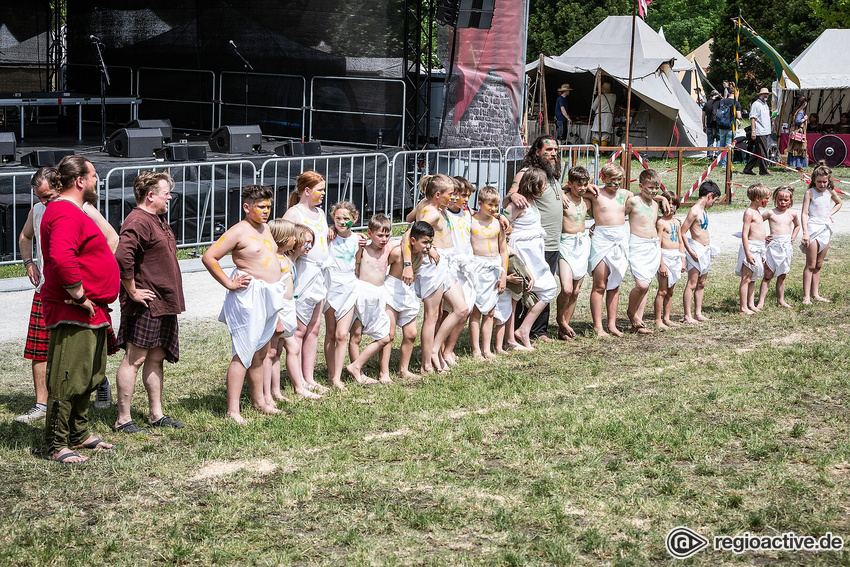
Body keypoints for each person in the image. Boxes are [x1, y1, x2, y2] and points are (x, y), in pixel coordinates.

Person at [15, 167, 120, 424]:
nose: (43, 201)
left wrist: (87, 276)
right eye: (39, 197)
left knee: (87, 351)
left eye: (47, 195)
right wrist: (29, 262)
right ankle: (41, 404)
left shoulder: (81, 208)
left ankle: (99, 384)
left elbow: (111, 238)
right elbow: (25, 236)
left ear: (59, 186)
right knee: (40, 350)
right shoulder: (40, 210)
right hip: (48, 290)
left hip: (77, 291)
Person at [40, 155, 120, 464]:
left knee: (89, 376)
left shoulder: (72, 211)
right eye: (94, 175)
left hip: (91, 310)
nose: (98, 180)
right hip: (75, 310)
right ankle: (56, 444)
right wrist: (80, 295)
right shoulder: (64, 211)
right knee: (68, 378)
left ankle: (79, 434)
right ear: (80, 181)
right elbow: (61, 257)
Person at [202, 185, 286, 423]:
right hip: (249, 297)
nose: (266, 211)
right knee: (243, 352)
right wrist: (229, 282)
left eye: (268, 206)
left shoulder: (267, 228)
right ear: (247, 207)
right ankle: (233, 410)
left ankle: (259, 401)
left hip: (269, 295)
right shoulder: (238, 231)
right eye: (261, 207)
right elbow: (209, 257)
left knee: (261, 350)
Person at [113, 171, 186, 434]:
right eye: (166, 191)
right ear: (150, 195)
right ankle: (123, 418)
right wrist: (132, 290)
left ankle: (156, 414)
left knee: (156, 357)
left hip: (162, 302)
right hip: (146, 303)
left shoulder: (157, 219)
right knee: (135, 359)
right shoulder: (138, 220)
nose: (169, 196)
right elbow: (123, 256)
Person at [401, 174, 469, 373]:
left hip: (445, 262)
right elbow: (409, 233)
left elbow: (409, 217)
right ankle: (427, 360)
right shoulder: (433, 213)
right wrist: (422, 253)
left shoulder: (427, 204)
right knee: (433, 315)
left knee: (460, 309)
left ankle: (435, 350)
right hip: (433, 265)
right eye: (450, 195)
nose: (454, 199)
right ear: (438, 195)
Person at [505, 136, 564, 342]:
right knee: (530, 286)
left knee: (544, 284)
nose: (553, 153)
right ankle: (520, 330)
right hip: (530, 243)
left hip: (551, 239)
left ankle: (539, 331)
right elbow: (512, 195)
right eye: (548, 149)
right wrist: (512, 196)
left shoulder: (553, 174)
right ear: (537, 151)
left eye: (555, 149)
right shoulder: (526, 173)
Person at [283, 171, 331, 393]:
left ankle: (309, 377)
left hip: (320, 274)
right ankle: (298, 380)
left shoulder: (319, 212)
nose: (323, 194)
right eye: (320, 190)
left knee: (315, 327)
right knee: (300, 328)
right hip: (303, 274)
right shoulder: (294, 213)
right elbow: (281, 241)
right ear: (307, 191)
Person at [380, 222, 431, 382]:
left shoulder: (422, 255)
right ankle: (384, 372)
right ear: (413, 240)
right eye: (424, 242)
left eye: (430, 242)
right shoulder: (397, 253)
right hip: (392, 290)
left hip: (408, 292)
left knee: (411, 334)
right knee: (389, 334)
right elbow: (381, 266)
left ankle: (404, 369)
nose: (428, 246)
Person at [323, 201, 366, 389]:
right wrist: (330, 228)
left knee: (342, 335)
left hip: (349, 287)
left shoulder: (358, 240)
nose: (341, 222)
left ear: (354, 219)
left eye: (346, 218)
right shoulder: (329, 236)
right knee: (331, 334)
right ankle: (332, 375)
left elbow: (358, 262)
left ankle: (338, 377)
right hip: (331, 286)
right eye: (337, 218)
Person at [585, 163, 631, 337]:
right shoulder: (595, 193)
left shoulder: (625, 194)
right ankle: (598, 326)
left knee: (615, 284)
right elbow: (570, 188)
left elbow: (642, 198)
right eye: (613, 180)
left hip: (619, 238)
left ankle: (612, 324)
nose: (617, 184)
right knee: (600, 284)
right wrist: (588, 185)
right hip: (602, 239)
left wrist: (662, 199)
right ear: (603, 178)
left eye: (620, 180)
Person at [348, 214, 393, 383]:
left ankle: (360, 366)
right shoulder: (363, 249)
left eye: (387, 235)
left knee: (385, 336)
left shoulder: (388, 249)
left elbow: (407, 238)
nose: (384, 239)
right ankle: (357, 372)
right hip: (362, 294)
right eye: (380, 235)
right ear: (370, 233)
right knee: (356, 335)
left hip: (379, 295)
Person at [468, 186, 507, 359]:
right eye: (489, 205)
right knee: (476, 310)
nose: (493, 209)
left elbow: (504, 250)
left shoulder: (498, 223)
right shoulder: (471, 221)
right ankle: (476, 349)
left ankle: (487, 348)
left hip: (494, 265)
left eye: (496, 206)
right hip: (478, 265)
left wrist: (503, 274)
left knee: (490, 311)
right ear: (480, 203)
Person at [262, 218, 298, 406]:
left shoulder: (285, 257)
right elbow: (274, 290)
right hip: (279, 309)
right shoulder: (275, 260)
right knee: (270, 352)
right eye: (291, 236)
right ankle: (266, 394)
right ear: (281, 238)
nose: (295, 239)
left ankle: (276, 390)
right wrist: (276, 318)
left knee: (278, 351)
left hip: (288, 307)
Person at [625, 169, 664, 334]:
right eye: (650, 187)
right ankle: (631, 312)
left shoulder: (655, 204)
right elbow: (618, 214)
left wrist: (661, 198)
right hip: (638, 245)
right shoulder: (633, 201)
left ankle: (638, 322)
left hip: (652, 245)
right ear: (641, 186)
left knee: (646, 284)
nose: (654, 191)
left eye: (657, 188)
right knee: (641, 284)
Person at [556, 166, 593, 340]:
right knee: (567, 288)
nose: (583, 188)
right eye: (579, 184)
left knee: (576, 292)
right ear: (570, 184)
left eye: (585, 184)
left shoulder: (587, 201)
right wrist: (563, 190)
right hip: (566, 244)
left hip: (582, 244)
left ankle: (564, 329)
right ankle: (560, 320)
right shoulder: (563, 199)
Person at [800, 163, 843, 305]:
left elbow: (838, 203)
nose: (822, 184)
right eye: (819, 181)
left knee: (819, 264)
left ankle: (815, 293)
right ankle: (806, 296)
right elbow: (804, 213)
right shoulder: (810, 193)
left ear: (829, 180)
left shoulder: (830, 192)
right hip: (813, 229)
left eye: (825, 181)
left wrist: (830, 214)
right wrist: (805, 232)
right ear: (813, 180)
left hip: (826, 228)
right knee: (810, 264)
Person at [681, 181, 721, 323]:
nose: (713, 204)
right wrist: (690, 251)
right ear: (710, 195)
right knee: (692, 283)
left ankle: (698, 312)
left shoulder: (704, 211)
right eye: (714, 201)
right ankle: (687, 315)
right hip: (695, 249)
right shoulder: (694, 211)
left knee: (701, 283)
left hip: (705, 250)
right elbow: (683, 232)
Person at [757, 186, 800, 309]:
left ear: (790, 201)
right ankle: (761, 302)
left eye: (786, 200)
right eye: (780, 199)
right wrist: (763, 236)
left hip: (786, 246)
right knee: (767, 275)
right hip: (773, 246)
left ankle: (781, 300)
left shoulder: (792, 213)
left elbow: (797, 226)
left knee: (782, 275)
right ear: (775, 199)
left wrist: (793, 237)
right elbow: (756, 224)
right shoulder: (770, 213)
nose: (783, 202)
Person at [736, 183, 770, 315]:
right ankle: (743, 307)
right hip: (750, 248)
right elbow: (745, 234)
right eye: (766, 198)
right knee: (746, 278)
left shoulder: (758, 212)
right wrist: (748, 253)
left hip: (759, 247)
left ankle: (751, 304)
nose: (767, 201)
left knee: (753, 278)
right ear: (757, 198)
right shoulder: (749, 212)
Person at [654, 191, 686, 329]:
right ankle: (657, 319)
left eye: (673, 204)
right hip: (665, 257)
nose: (670, 207)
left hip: (675, 257)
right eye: (668, 204)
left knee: (671, 290)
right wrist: (661, 264)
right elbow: (658, 243)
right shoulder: (660, 223)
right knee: (662, 291)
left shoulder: (677, 223)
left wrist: (683, 260)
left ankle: (667, 317)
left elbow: (680, 241)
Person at [742, 88, 773, 176]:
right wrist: (753, 131)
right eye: (763, 94)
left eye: (766, 94)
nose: (765, 95)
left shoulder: (765, 104)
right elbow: (752, 118)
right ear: (759, 95)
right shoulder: (756, 104)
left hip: (765, 131)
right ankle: (763, 170)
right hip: (760, 131)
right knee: (762, 152)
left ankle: (747, 169)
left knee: (757, 152)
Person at [716, 88, 742, 166]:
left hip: (721, 126)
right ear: (735, 93)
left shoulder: (722, 101)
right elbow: (739, 116)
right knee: (728, 146)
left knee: (721, 144)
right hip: (730, 126)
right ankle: (725, 163)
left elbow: (718, 112)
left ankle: (720, 162)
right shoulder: (736, 103)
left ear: (729, 93)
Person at [591, 81, 617, 146]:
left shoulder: (600, 96)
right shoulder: (614, 96)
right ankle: (603, 151)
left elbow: (593, 107)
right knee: (605, 135)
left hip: (599, 116)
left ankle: (596, 151)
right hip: (608, 117)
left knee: (596, 134)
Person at [786, 96, 809, 169]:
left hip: (795, 131)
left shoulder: (797, 110)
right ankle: (798, 166)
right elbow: (797, 121)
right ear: (804, 103)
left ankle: (790, 165)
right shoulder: (801, 111)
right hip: (799, 132)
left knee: (793, 148)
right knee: (800, 148)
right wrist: (804, 119)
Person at [702, 90, 722, 159]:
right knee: (719, 140)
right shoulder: (720, 103)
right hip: (718, 125)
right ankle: (717, 155)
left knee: (710, 141)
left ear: (711, 96)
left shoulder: (707, 104)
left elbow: (703, 116)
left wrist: (703, 126)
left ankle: (709, 156)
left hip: (709, 125)